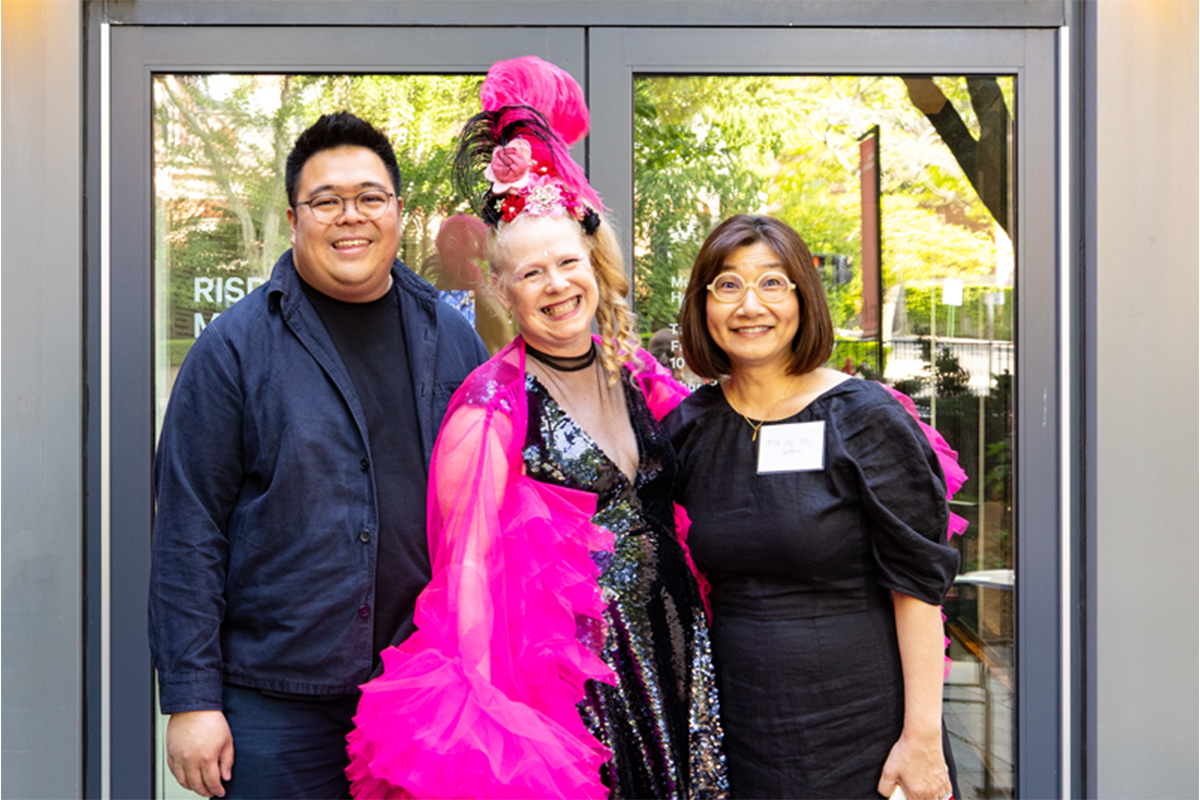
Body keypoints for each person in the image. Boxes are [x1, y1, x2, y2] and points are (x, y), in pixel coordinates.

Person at [345, 56, 727, 799]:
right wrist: (494, 717)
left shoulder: (637, 372)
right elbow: (466, 582)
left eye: (566, 262)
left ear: (595, 263)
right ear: (503, 291)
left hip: (676, 652)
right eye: (531, 274)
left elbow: (721, 446)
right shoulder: (490, 406)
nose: (556, 285)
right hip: (575, 683)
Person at [148, 111, 489, 799]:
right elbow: (189, 530)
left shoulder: (452, 339)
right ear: (296, 216)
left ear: (398, 210)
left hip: (422, 684)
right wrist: (191, 699)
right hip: (277, 699)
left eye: (368, 197)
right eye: (326, 201)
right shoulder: (235, 349)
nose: (349, 217)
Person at [664, 214, 963, 800]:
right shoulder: (687, 431)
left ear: (804, 298)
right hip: (740, 729)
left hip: (865, 731)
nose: (750, 305)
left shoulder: (867, 418)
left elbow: (918, 587)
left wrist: (922, 737)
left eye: (772, 283)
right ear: (703, 304)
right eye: (728, 286)